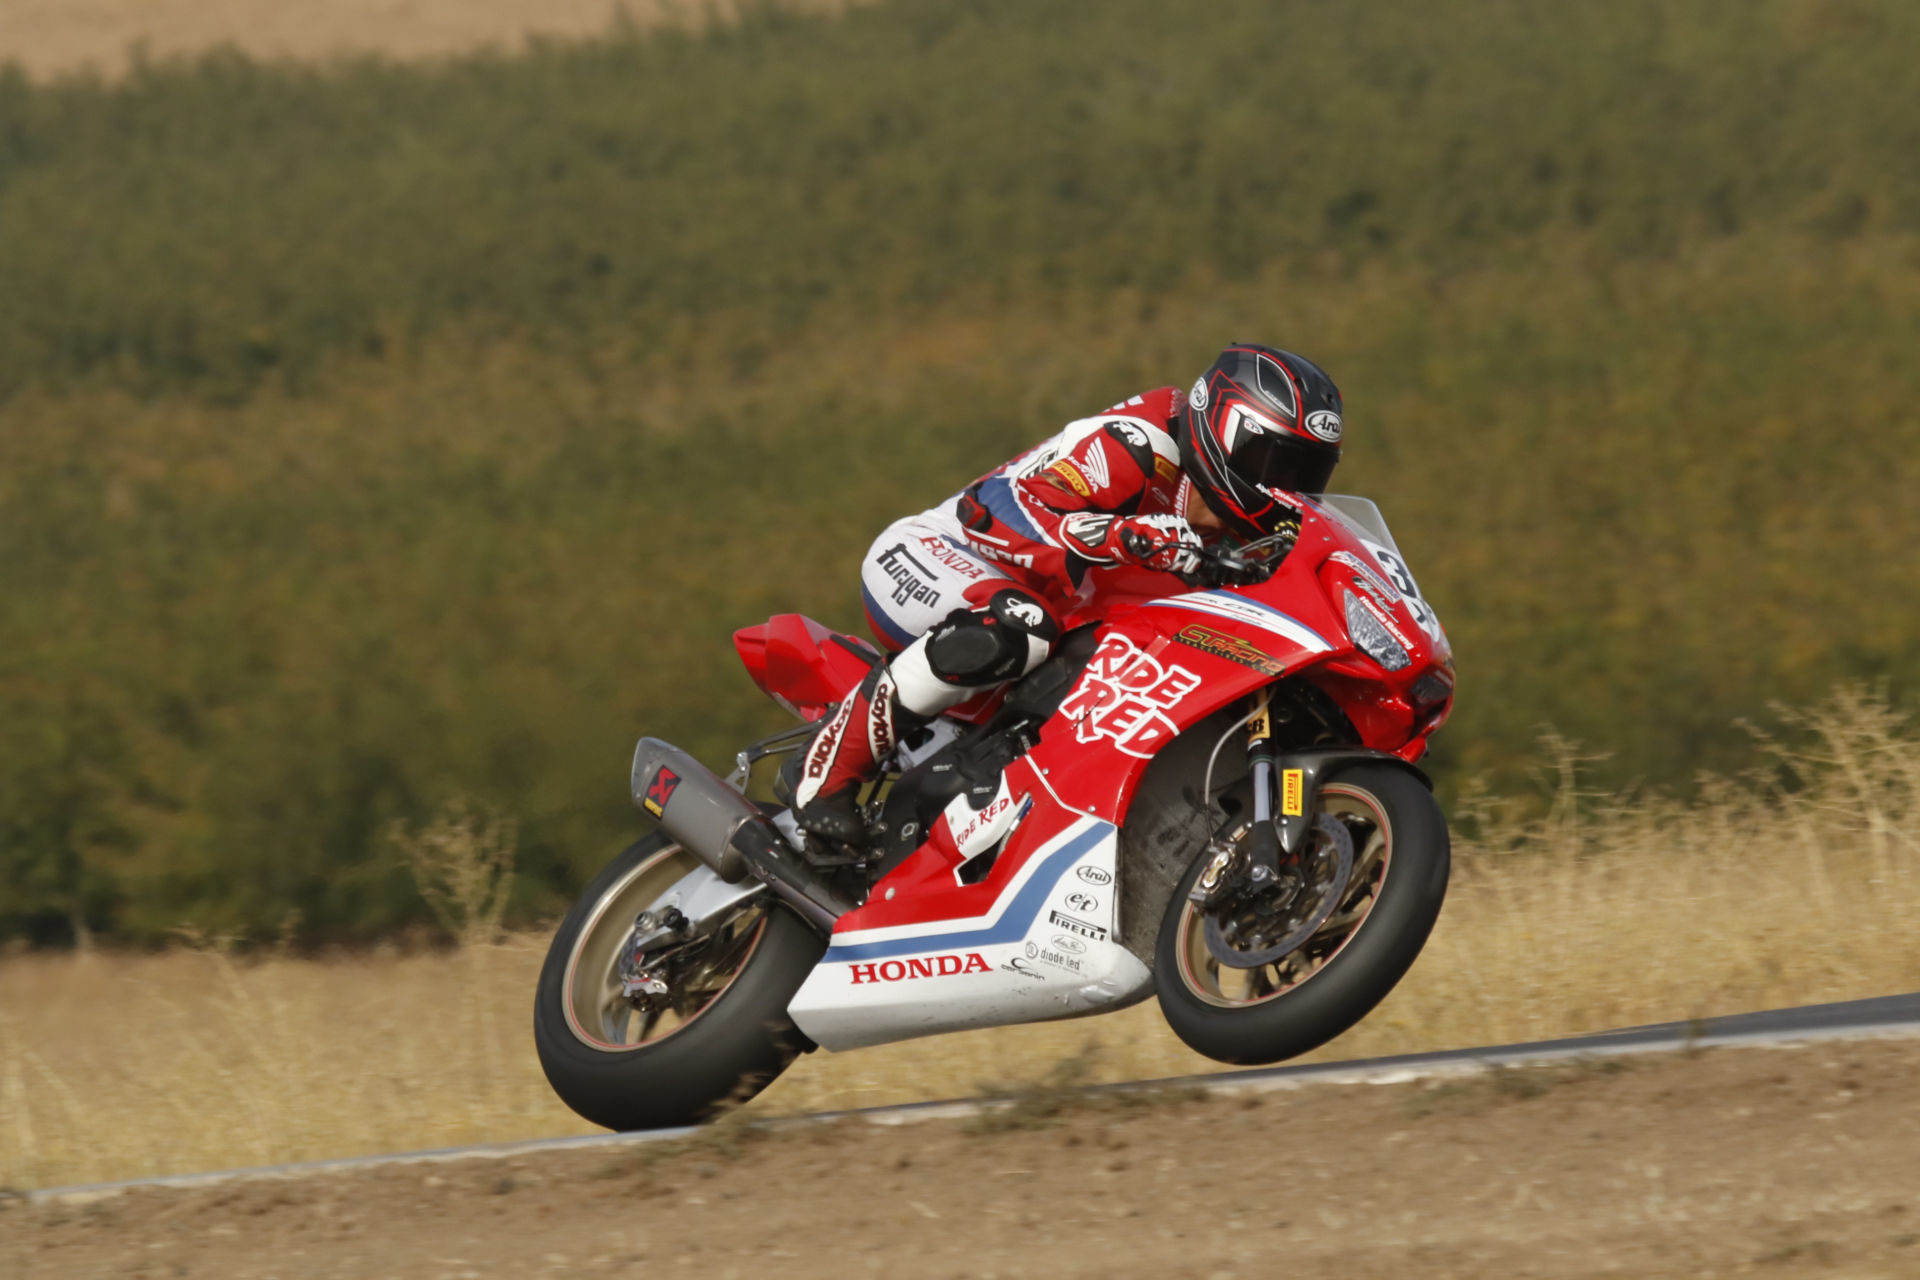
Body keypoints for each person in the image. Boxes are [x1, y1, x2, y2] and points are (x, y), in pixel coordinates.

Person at [794, 342, 1346, 844]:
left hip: (1047, 630)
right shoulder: (1142, 442)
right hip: (940, 553)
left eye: (1305, 475)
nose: (1285, 489)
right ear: (1225, 428)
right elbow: (1003, 511)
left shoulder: (1245, 546)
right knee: (1021, 624)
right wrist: (1128, 536)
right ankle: (825, 772)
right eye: (1276, 463)